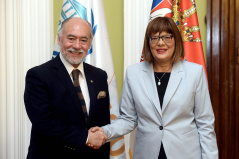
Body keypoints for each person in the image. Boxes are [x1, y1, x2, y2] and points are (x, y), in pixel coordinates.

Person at [90, 17, 218, 159]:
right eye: (154, 38)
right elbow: (128, 119)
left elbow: (205, 124)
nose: (160, 43)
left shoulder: (195, 72)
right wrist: (104, 132)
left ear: (176, 41)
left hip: (185, 153)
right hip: (147, 153)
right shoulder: (134, 73)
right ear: (148, 42)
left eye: (167, 37)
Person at [24, 17, 110, 159]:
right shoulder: (38, 76)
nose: (77, 46)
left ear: (89, 44)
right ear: (59, 40)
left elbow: (102, 122)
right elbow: (44, 122)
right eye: (71, 38)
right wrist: (86, 137)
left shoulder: (100, 76)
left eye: (83, 40)